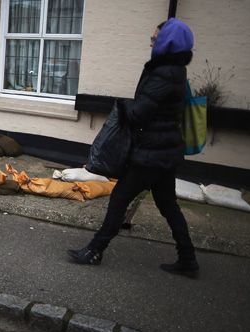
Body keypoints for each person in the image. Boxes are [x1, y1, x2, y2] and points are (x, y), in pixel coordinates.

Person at [68, 18, 199, 278]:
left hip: (151, 154)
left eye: (155, 38)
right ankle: (188, 259)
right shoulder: (175, 70)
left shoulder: (164, 72)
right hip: (165, 151)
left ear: (167, 43)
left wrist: (121, 106)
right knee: (168, 205)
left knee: (119, 198)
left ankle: (95, 249)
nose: (150, 41)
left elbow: (140, 113)